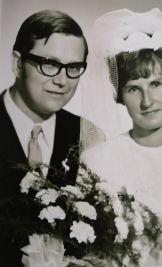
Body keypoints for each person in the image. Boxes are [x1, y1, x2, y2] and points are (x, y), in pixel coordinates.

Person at [80, 9, 162, 266]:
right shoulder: (96, 160)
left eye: (156, 84)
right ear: (120, 95)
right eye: (134, 88)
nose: (147, 101)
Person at [0, 10, 88, 267]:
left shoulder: (88, 135)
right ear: (18, 64)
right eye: (49, 63)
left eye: (73, 68)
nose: (62, 81)